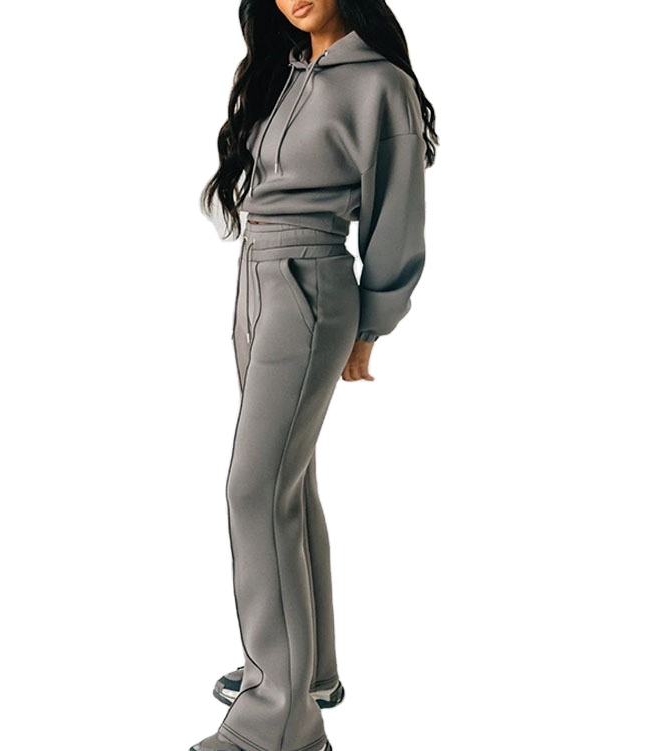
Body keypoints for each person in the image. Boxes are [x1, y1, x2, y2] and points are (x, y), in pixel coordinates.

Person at [195, 2, 437, 749]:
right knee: (287, 484)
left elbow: (397, 215)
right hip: (256, 282)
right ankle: (307, 670)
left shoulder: (380, 84)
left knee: (253, 487)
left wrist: (372, 324)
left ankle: (279, 722)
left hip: (309, 283)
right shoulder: (289, 69)